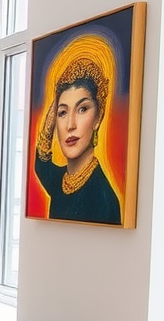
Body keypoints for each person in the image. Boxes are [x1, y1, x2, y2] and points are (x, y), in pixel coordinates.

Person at [34, 56, 121, 224]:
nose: (70, 125)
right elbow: (41, 164)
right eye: (63, 113)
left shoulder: (104, 199)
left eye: (82, 109)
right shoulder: (59, 181)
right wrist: (51, 120)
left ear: (98, 117)